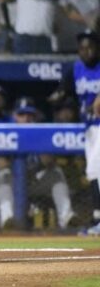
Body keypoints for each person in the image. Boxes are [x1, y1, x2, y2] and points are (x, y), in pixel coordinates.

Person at [0, 97, 78, 231]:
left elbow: (49, 162)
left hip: (33, 181)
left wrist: (38, 142)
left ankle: (67, 217)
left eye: (29, 115)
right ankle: (8, 220)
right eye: (21, 114)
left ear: (36, 117)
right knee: (3, 176)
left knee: (56, 173)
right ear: (14, 116)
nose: (26, 118)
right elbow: (1, 164)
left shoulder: (42, 133)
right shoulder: (5, 132)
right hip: (13, 183)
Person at [50, 30, 100, 235]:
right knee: (95, 174)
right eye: (81, 48)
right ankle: (98, 220)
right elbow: (64, 91)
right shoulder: (76, 69)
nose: (86, 51)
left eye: (90, 47)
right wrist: (57, 97)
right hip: (89, 127)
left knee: (97, 172)